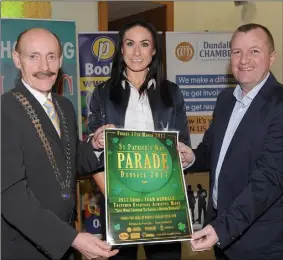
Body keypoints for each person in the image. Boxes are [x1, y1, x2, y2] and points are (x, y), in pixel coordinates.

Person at [1, 28, 118, 260]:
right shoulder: (5, 109)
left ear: (61, 60)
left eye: (51, 56)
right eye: (33, 56)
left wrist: (95, 145)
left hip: (64, 242)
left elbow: (70, 159)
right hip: (25, 246)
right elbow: (10, 196)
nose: (44, 66)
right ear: (17, 59)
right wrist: (70, 238)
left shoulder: (64, 106)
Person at [88, 20, 192, 260]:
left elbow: (183, 145)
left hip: (163, 203)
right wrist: (114, 197)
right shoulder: (102, 94)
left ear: (154, 50)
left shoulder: (172, 93)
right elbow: (90, 153)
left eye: (144, 44)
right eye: (130, 44)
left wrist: (184, 154)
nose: (137, 52)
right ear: (121, 49)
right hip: (117, 202)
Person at [185, 23, 283, 260]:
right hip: (222, 231)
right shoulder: (225, 99)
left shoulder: (279, 105)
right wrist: (191, 157)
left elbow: (269, 179)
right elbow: (212, 150)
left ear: (271, 58)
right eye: (236, 51)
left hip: (261, 242)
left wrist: (222, 229)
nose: (243, 59)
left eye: (254, 51)